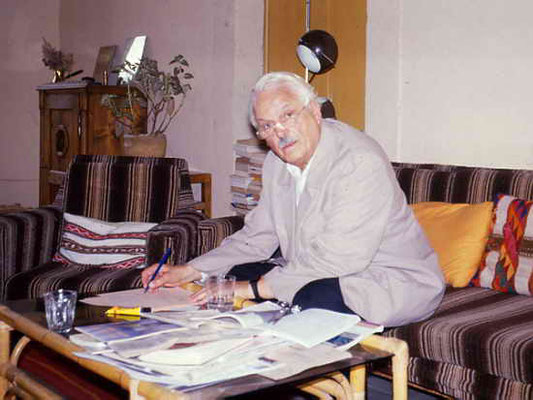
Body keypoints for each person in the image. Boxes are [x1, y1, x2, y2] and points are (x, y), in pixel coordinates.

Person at [142, 72, 445, 327]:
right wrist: (192, 270)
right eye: (267, 126)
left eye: (287, 115)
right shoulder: (277, 163)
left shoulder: (358, 161)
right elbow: (256, 238)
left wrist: (252, 290)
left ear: (314, 111)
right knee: (230, 277)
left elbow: (338, 259)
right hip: (323, 272)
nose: (280, 133)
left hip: (386, 281)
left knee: (308, 299)